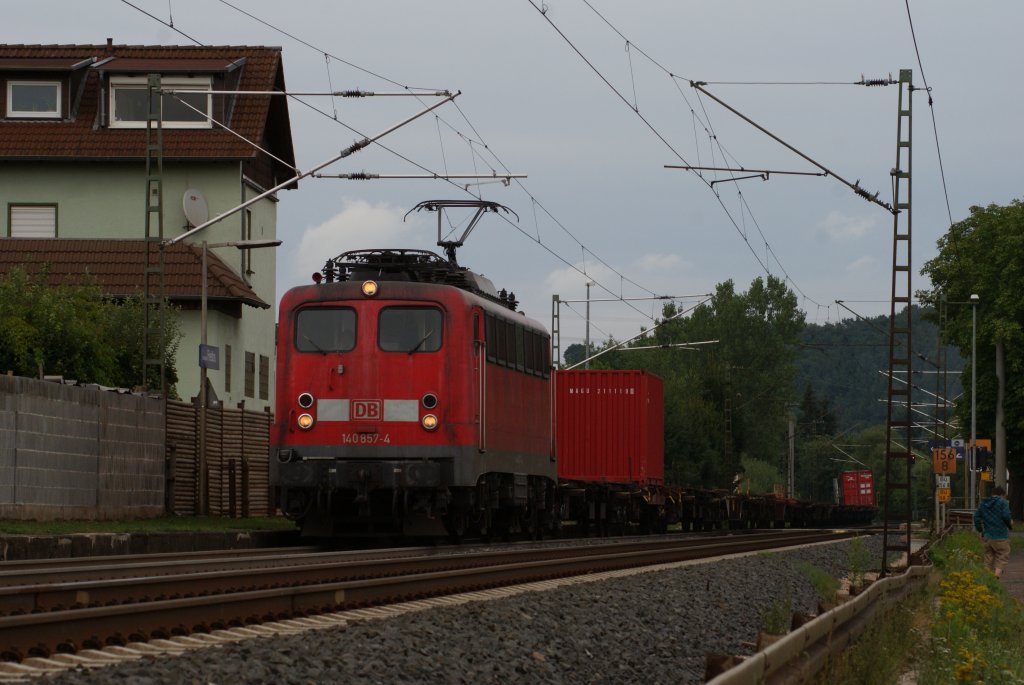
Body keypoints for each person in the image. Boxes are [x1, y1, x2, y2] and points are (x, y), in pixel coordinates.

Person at [973, 485, 1013, 578]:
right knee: (1003, 556)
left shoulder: (983, 503)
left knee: (988, 558)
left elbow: (976, 517)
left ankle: (987, 580)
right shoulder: (1003, 502)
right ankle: (995, 577)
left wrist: (980, 530)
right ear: (1002, 494)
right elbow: (1006, 516)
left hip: (987, 536)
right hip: (1000, 536)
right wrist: (1009, 524)